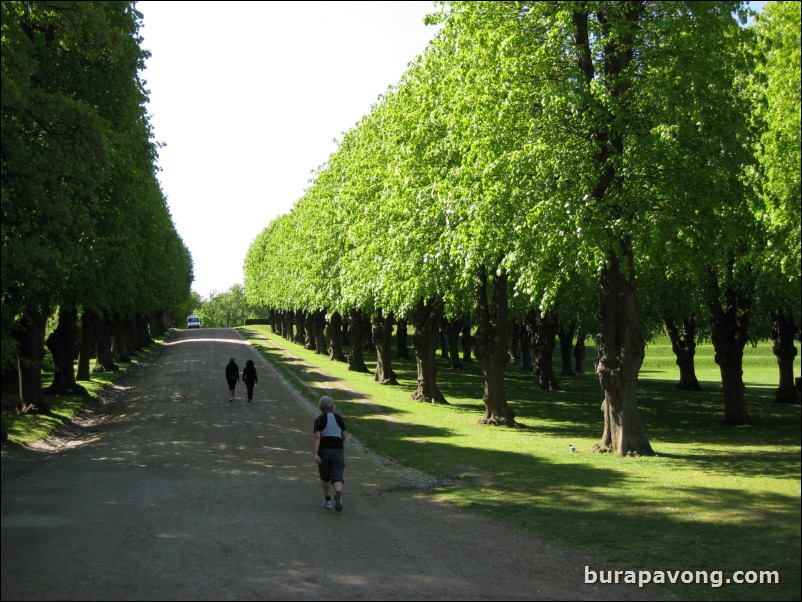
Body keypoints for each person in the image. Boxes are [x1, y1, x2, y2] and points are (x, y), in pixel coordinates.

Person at [313, 395, 348, 512]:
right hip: (338, 449)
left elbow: (318, 437)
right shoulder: (339, 418)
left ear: (321, 407)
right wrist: (340, 444)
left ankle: (328, 501)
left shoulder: (318, 420)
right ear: (332, 406)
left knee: (325, 477)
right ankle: (338, 493)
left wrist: (316, 453)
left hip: (324, 450)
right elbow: (344, 436)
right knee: (337, 474)